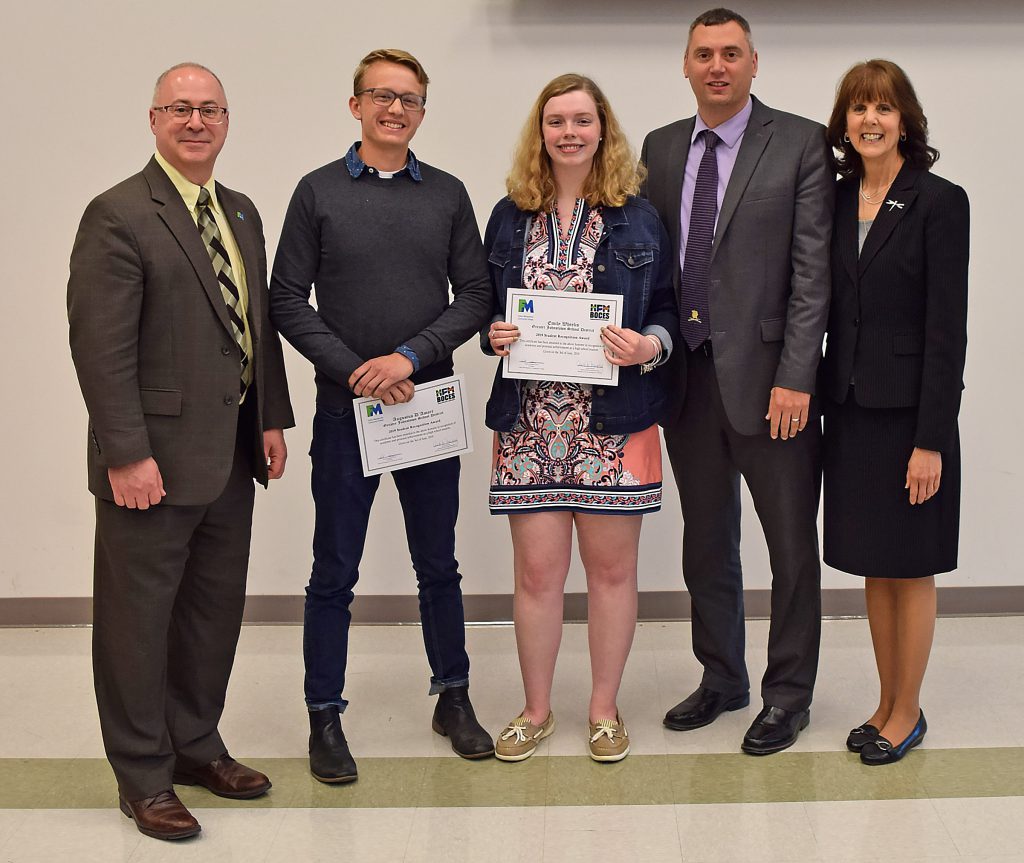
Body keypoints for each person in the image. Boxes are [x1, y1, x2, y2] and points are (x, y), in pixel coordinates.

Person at [67, 63, 294, 840]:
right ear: (155, 118)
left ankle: (196, 745)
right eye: (181, 109)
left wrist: (271, 417)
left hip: (231, 454)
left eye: (210, 110)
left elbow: (254, 325)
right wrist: (124, 452)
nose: (196, 122)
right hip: (150, 465)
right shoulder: (119, 214)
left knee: (209, 614)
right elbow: (100, 349)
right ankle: (141, 775)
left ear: (227, 120)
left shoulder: (241, 210)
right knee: (137, 623)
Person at [269, 48, 494, 783]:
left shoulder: (449, 195)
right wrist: (354, 370)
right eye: (381, 96)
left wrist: (406, 357)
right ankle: (324, 712)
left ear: (423, 111)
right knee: (334, 569)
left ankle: (452, 696)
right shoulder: (317, 192)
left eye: (410, 99)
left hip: (424, 406)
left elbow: (475, 296)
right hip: (345, 412)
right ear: (355, 106)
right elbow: (284, 299)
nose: (395, 109)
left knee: (440, 564)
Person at [640, 8, 834, 755]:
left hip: (772, 386)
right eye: (703, 54)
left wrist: (797, 377)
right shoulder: (659, 148)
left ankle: (788, 694)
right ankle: (722, 675)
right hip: (685, 380)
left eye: (731, 53)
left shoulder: (799, 141)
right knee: (706, 540)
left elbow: (813, 273)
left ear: (755, 64)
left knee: (789, 546)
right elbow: (650, 262)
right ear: (684, 66)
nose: (717, 65)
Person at [485, 74, 676, 763]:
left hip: (615, 423)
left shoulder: (639, 215)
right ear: (540, 133)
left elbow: (668, 305)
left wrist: (652, 344)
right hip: (529, 425)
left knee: (612, 575)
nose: (569, 132)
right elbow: (486, 303)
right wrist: (494, 333)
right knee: (536, 576)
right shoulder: (510, 214)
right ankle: (536, 710)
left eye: (582, 120)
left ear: (604, 129)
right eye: (556, 121)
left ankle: (602, 709)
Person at [821, 60, 968, 765]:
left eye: (882, 107)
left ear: (905, 118)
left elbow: (947, 330)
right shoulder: (835, 194)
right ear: (843, 123)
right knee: (876, 567)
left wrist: (932, 440)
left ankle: (907, 712)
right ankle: (885, 700)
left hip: (912, 419)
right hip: (851, 411)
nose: (869, 121)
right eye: (857, 109)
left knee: (911, 567)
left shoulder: (941, 202)